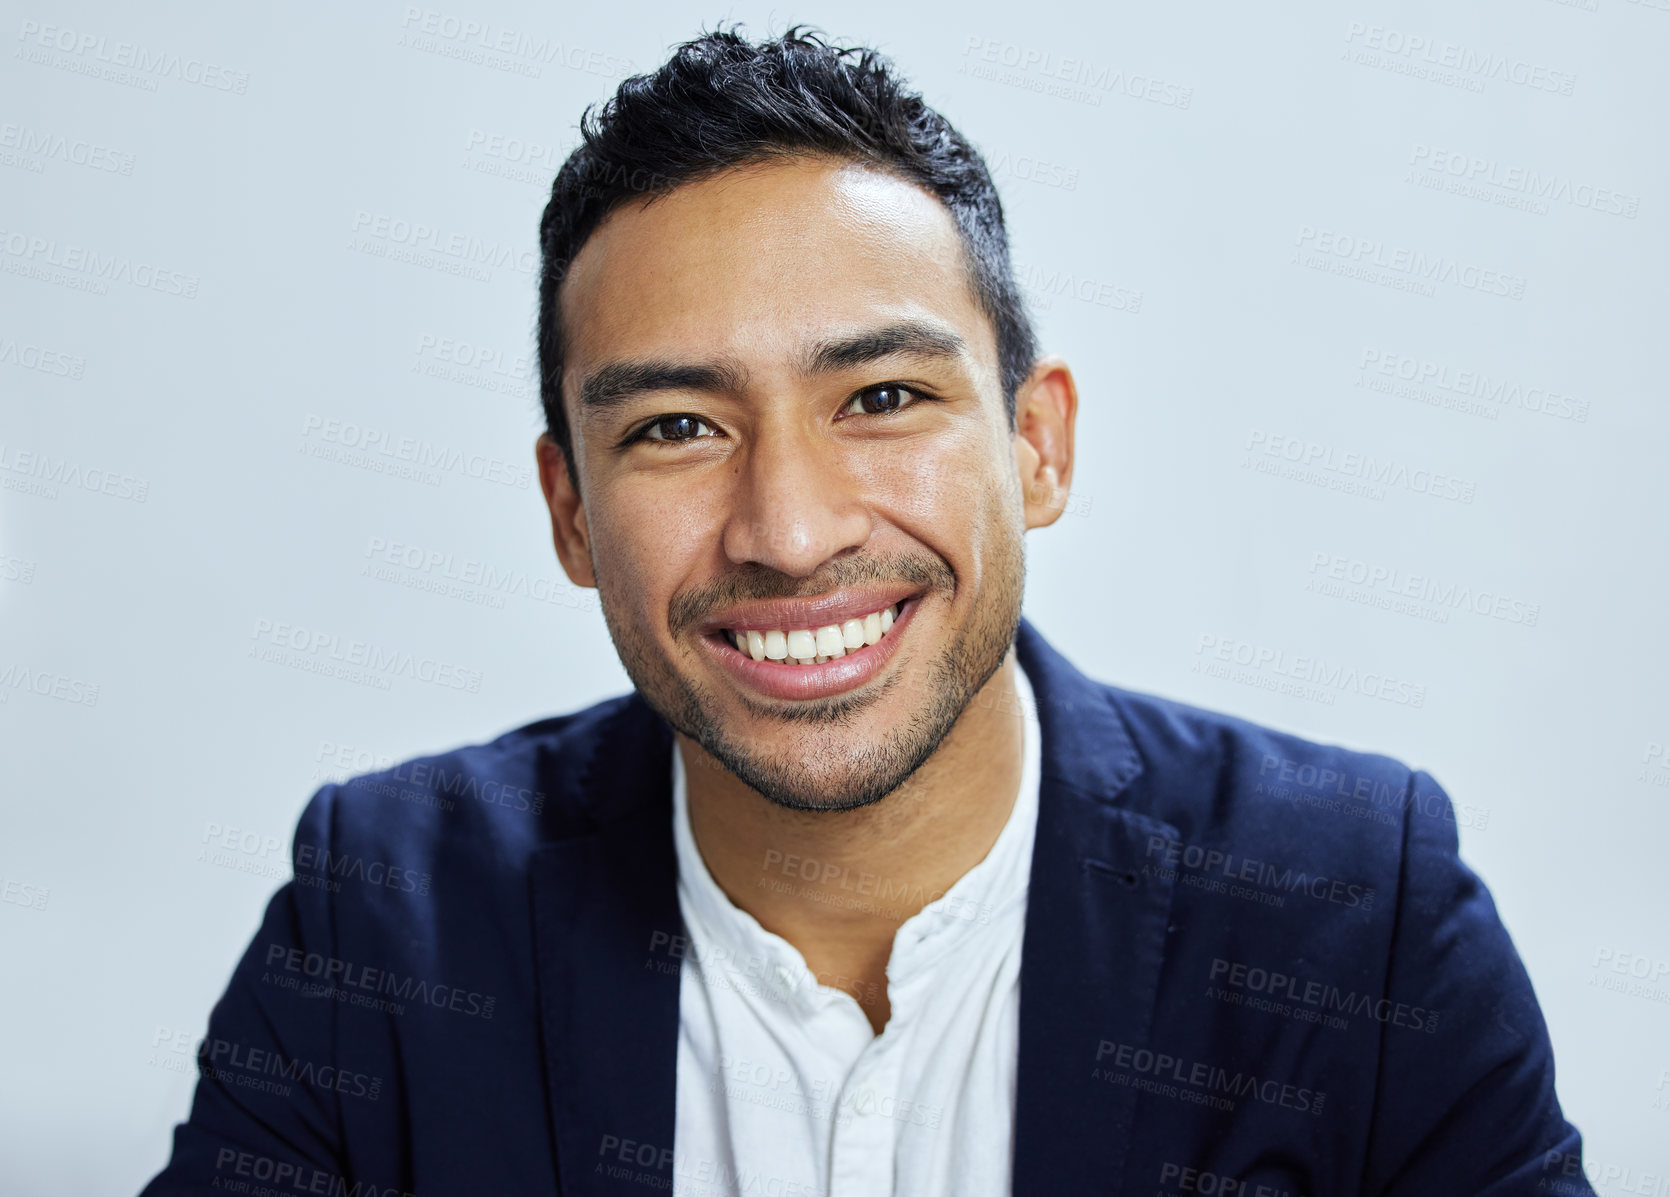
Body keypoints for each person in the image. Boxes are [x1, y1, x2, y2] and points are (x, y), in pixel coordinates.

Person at [142, 27, 1594, 1197]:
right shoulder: (386, 917)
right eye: (672, 427)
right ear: (569, 510)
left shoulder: (1356, 908)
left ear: (1038, 446)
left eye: (883, 398)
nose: (788, 530)